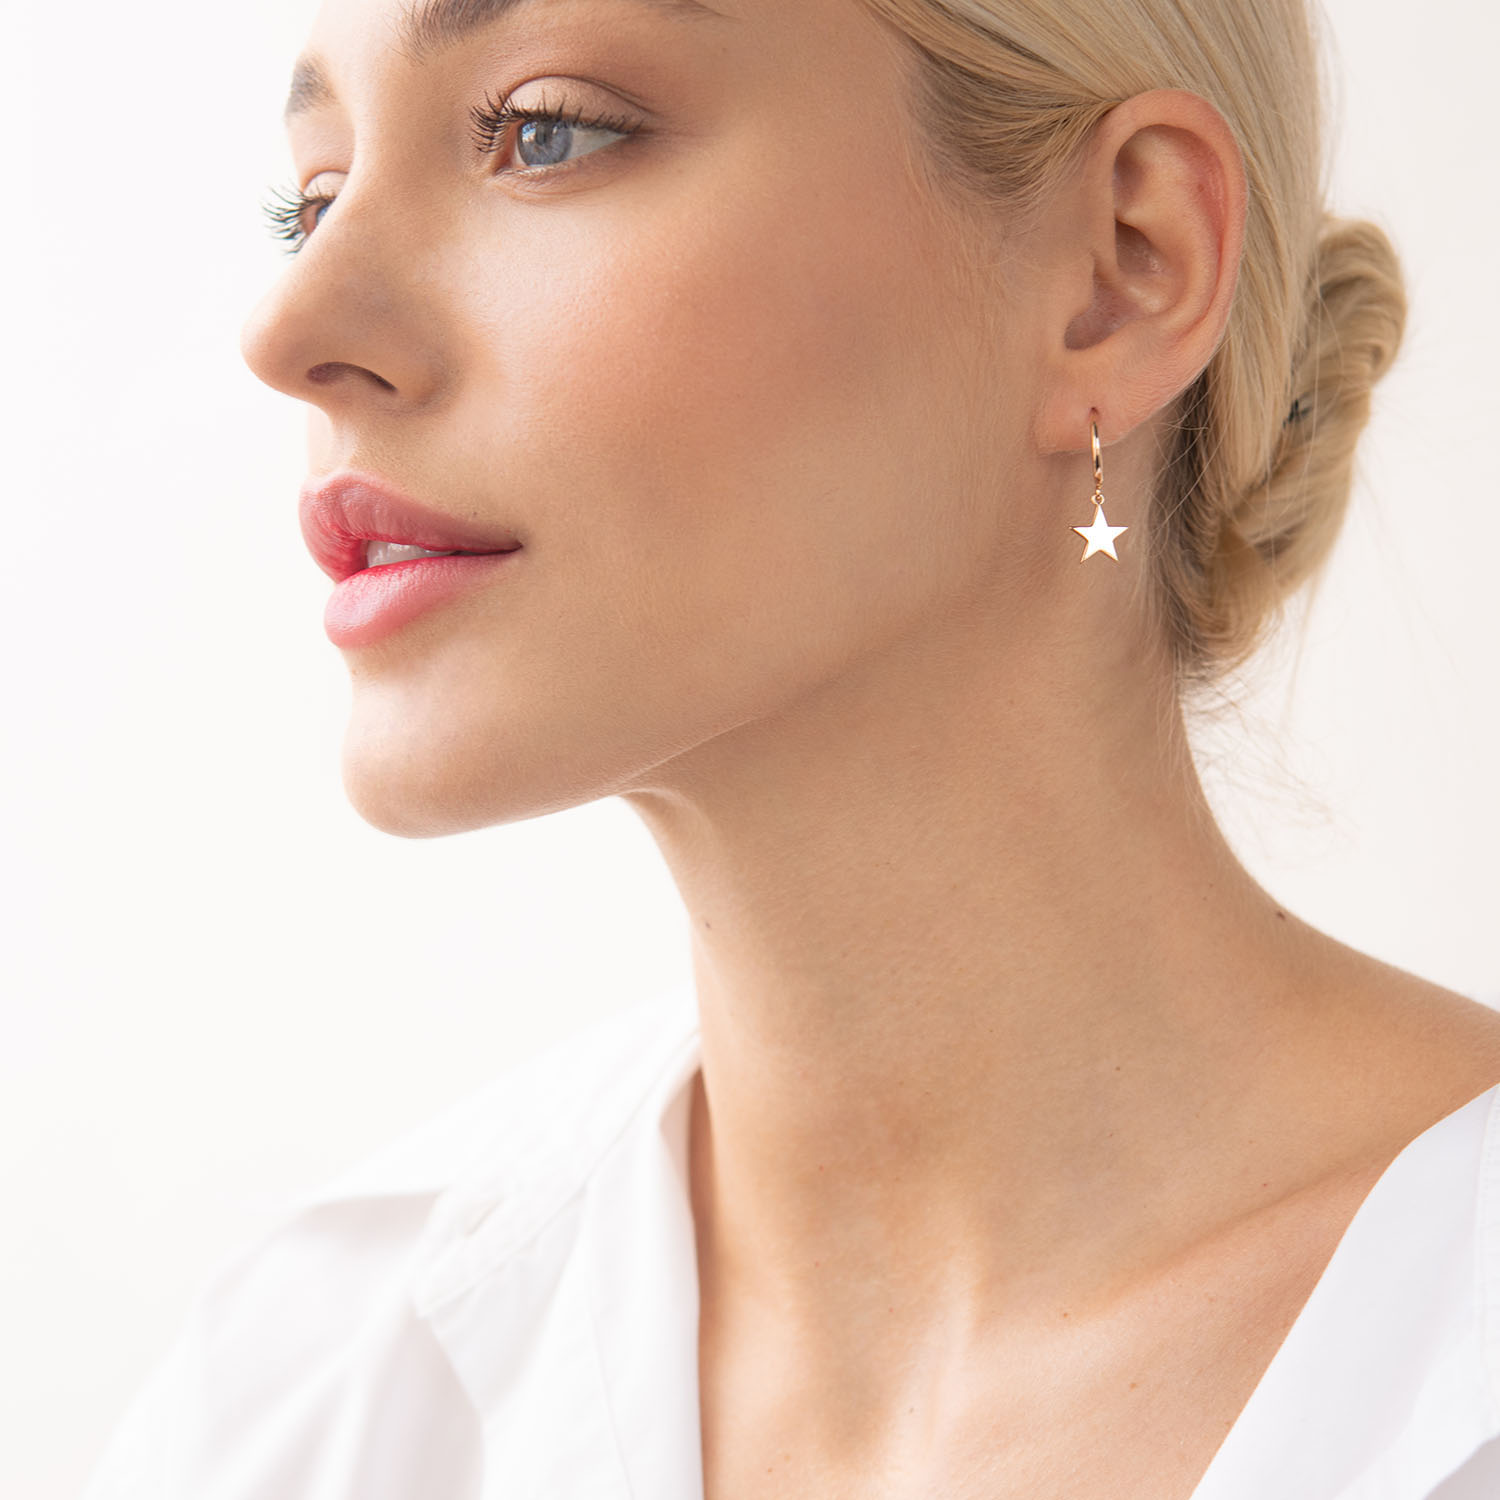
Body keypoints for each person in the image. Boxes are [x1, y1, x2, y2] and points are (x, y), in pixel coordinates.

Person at [84, 0, 1500, 1495]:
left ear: (1122, 270)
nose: (289, 328)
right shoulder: (293, 1409)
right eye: (312, 199)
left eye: (543, 131)